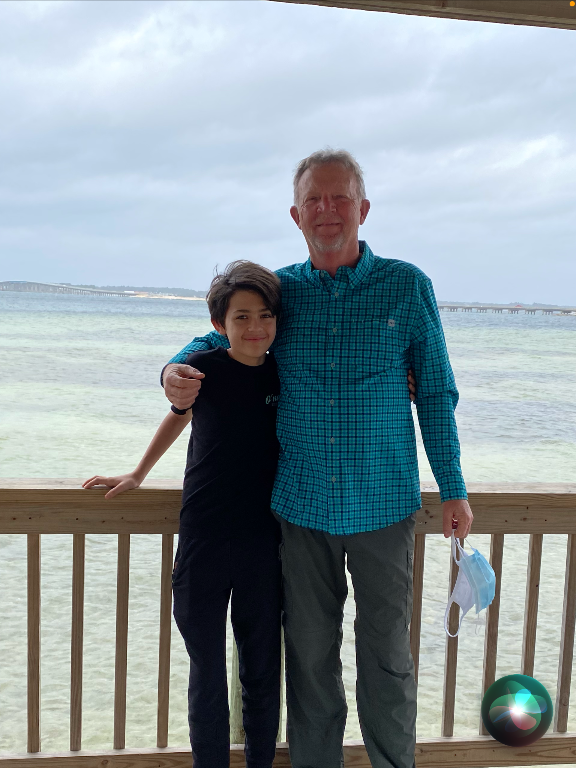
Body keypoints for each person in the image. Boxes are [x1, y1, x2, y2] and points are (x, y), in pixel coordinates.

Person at [161, 149, 474, 768]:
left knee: (387, 663)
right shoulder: (283, 292)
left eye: (339, 198)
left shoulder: (408, 286)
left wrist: (455, 488)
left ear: (362, 208)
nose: (326, 211)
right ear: (296, 214)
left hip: (384, 506)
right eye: (314, 200)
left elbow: (435, 392)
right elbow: (221, 333)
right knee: (308, 665)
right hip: (299, 510)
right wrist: (172, 369)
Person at [83, 261, 283, 768]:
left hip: (265, 542)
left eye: (264, 316)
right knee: (207, 672)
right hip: (203, 538)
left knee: (261, 670)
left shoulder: (287, 372)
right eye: (241, 317)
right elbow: (177, 417)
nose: (255, 327)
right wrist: (137, 474)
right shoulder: (205, 367)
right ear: (220, 324)